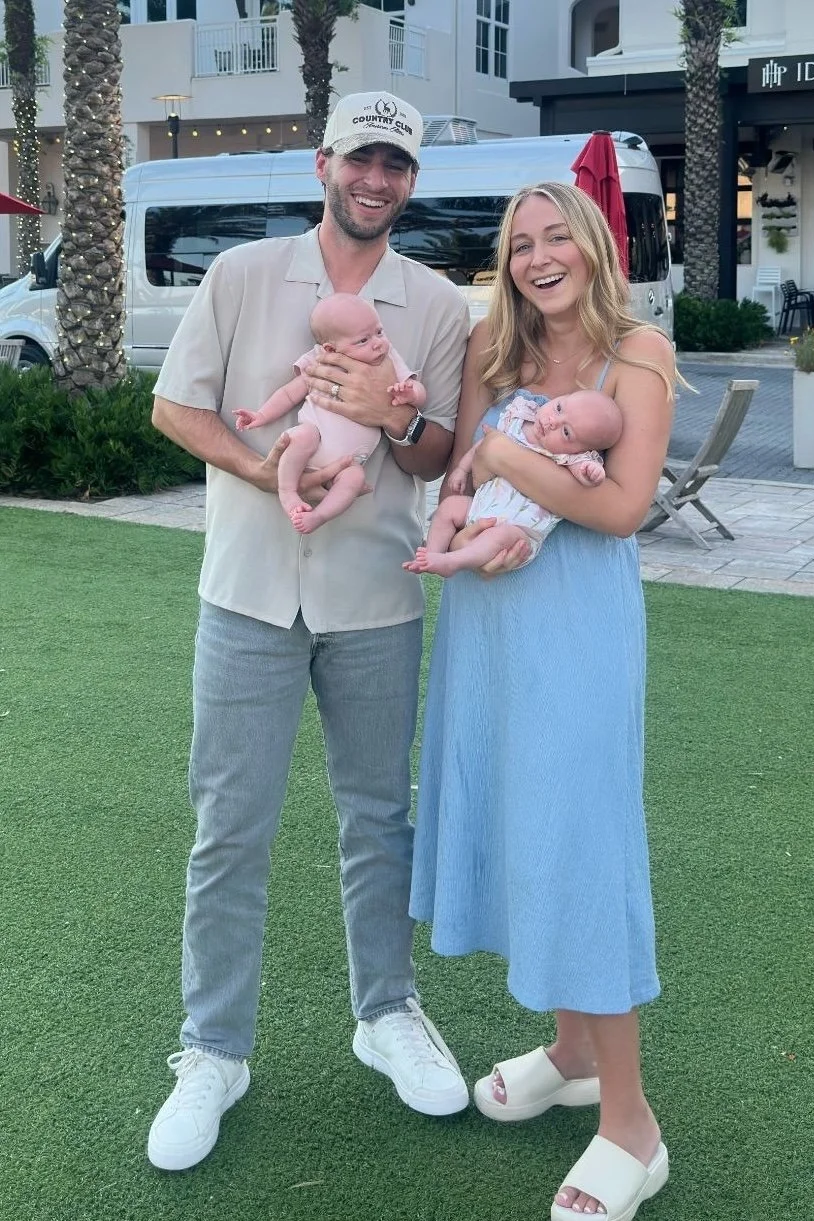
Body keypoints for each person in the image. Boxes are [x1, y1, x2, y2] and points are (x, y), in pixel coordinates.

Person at [146, 90, 472, 1173]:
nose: (376, 179)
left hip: (376, 597)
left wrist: (393, 421)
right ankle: (212, 1052)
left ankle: (385, 1015)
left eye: (397, 164)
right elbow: (176, 407)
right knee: (228, 827)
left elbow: (434, 455)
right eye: (360, 158)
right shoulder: (242, 277)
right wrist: (264, 464)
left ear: (410, 182)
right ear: (322, 163)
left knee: (378, 819)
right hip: (244, 594)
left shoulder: (434, 304)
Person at [408, 180, 679, 1221]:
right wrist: (463, 507)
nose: (535, 256)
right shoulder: (496, 351)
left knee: (577, 843)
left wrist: (505, 456)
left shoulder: (638, 355)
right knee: (522, 830)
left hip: (573, 629)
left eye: (553, 234)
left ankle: (630, 1127)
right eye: (518, 243)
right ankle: (569, 1054)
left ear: (593, 243)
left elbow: (618, 507)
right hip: (484, 619)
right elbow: (458, 483)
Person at [233, 293, 426, 533]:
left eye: (379, 332)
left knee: (354, 479)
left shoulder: (387, 359)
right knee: (301, 436)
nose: (377, 343)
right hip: (315, 441)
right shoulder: (321, 360)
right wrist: (260, 415)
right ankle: (288, 492)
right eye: (362, 340)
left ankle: (318, 517)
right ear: (330, 348)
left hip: (348, 461)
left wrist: (411, 394)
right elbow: (289, 394)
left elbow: (417, 389)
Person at [403, 388, 621, 577]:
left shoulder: (568, 456)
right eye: (559, 408)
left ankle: (453, 562)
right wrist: (461, 469)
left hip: (519, 529)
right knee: (449, 507)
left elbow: (584, 474)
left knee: (500, 537)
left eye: (566, 432)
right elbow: (482, 446)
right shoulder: (518, 420)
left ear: (581, 449)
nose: (552, 422)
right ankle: (433, 554)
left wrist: (592, 473)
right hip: (483, 507)